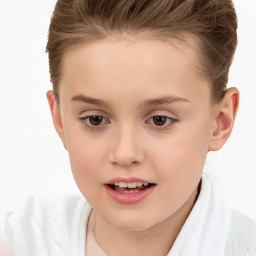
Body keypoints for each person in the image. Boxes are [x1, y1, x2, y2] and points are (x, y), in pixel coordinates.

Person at [1, 0, 256, 255]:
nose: (125, 154)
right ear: (59, 119)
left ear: (220, 122)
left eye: (160, 120)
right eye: (95, 119)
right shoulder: (20, 244)